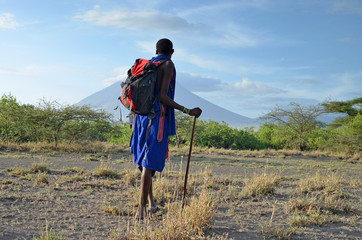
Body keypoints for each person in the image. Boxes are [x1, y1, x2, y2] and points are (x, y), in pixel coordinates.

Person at [130, 38, 202, 219]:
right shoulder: (167, 64)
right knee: (149, 162)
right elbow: (162, 96)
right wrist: (188, 110)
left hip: (140, 118)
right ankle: (141, 208)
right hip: (156, 120)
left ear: (156, 50)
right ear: (172, 51)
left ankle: (152, 203)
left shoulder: (149, 64)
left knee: (146, 163)